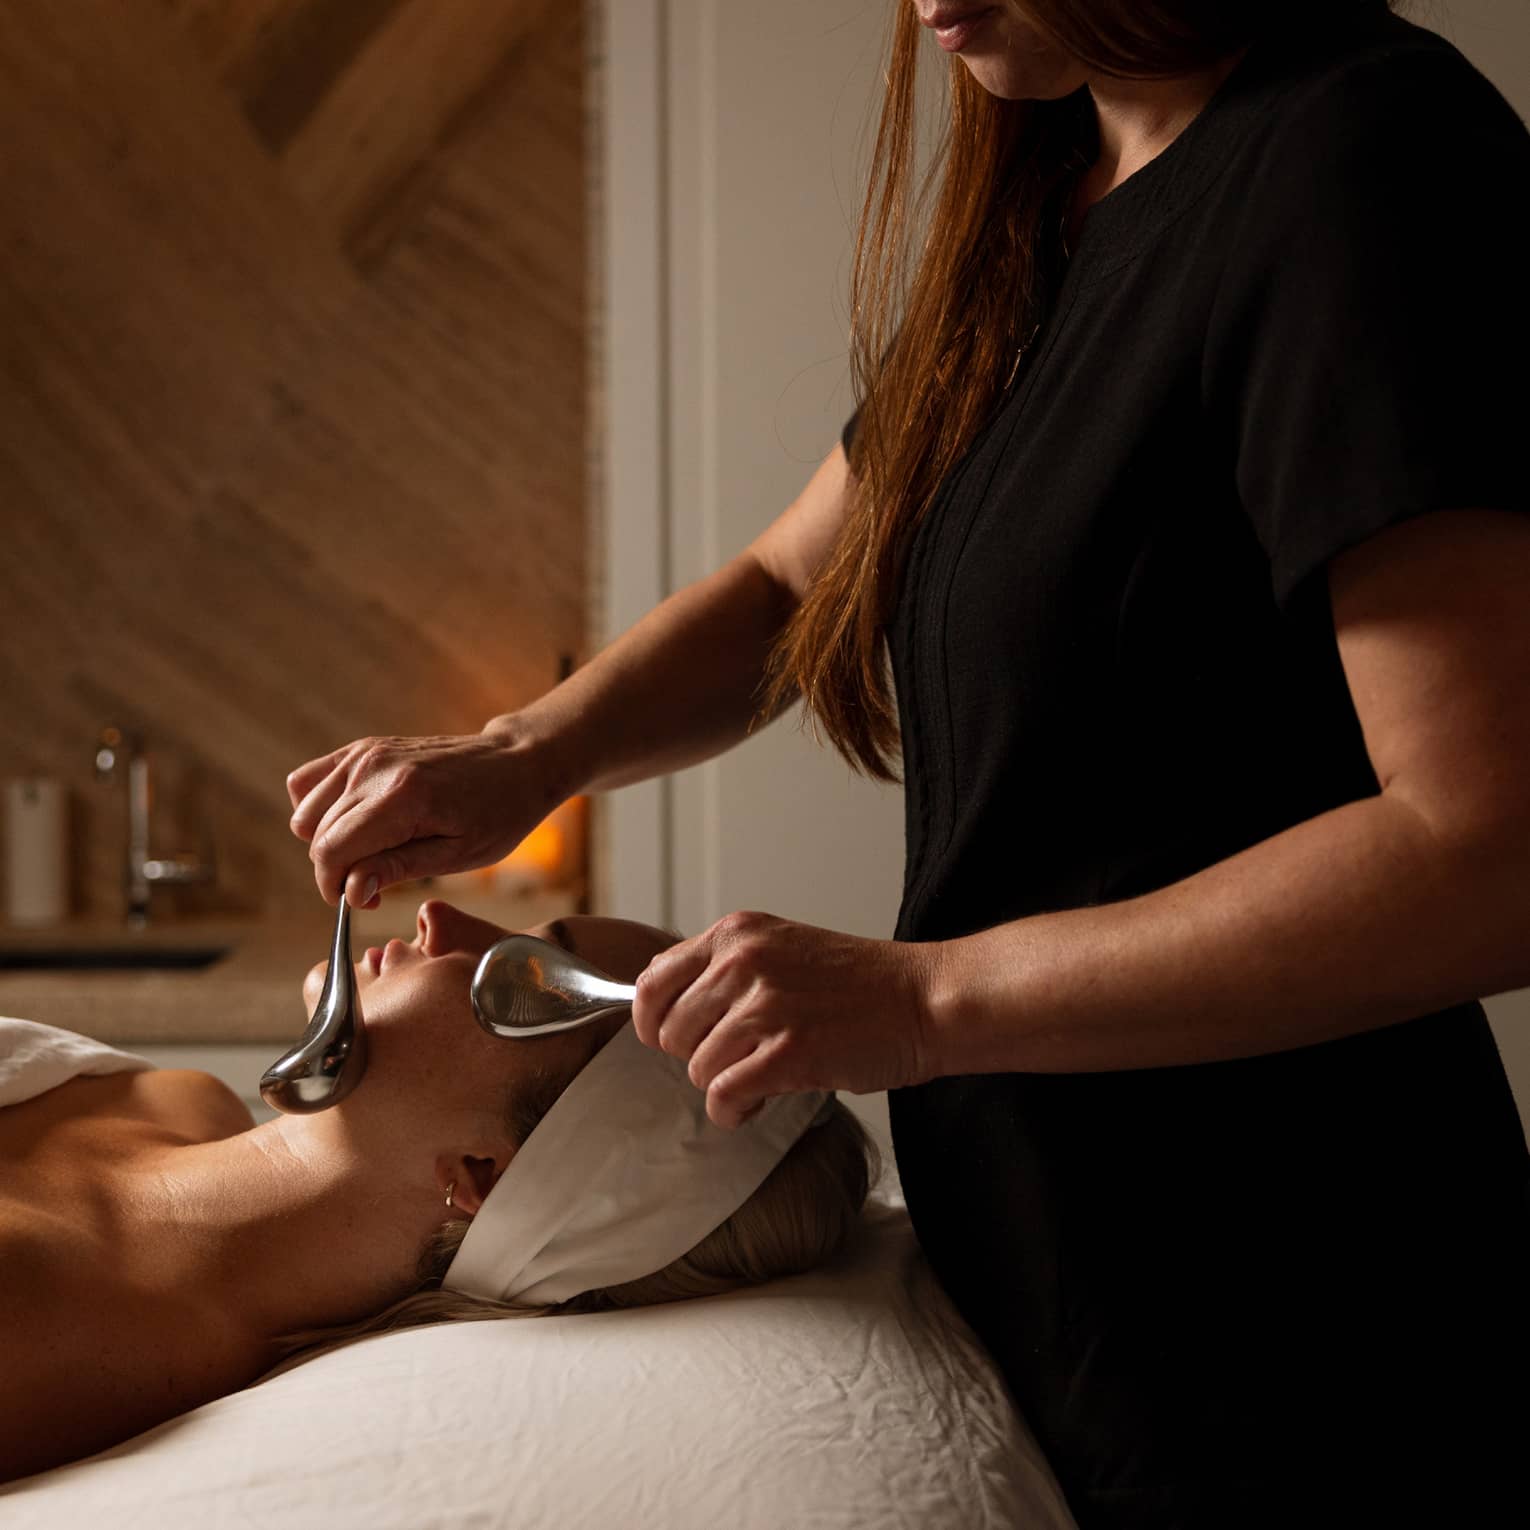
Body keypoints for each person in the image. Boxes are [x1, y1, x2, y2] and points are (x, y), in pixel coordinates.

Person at [285, 2, 1530, 1523]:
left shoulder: (1360, 155)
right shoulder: (1059, 188)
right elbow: (787, 586)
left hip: (1306, 1315)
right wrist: (521, 756)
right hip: (1053, 1285)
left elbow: (1490, 851)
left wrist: (926, 1000)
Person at [0, 902, 874, 1485]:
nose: (440, 913)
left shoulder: (47, 1322)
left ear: (481, 1177)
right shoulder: (182, 1100)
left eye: (522, 970)